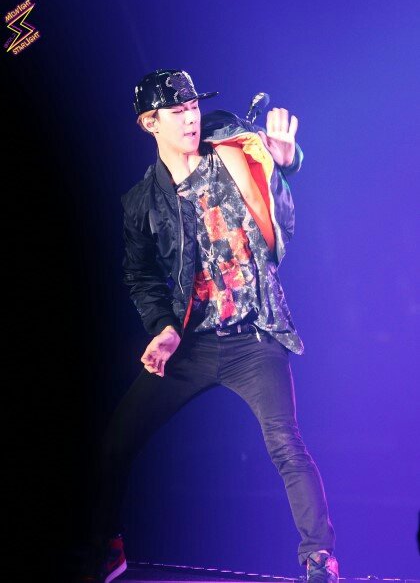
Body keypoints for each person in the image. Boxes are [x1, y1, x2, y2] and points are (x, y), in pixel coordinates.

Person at [80, 69, 339, 583]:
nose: (191, 118)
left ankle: (319, 560)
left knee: (286, 443)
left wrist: (288, 159)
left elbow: (274, 162)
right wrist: (163, 327)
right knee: (114, 443)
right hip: (191, 345)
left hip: (254, 337)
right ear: (150, 123)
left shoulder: (228, 143)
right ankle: (107, 547)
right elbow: (141, 276)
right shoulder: (142, 203)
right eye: (177, 111)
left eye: (193, 106)